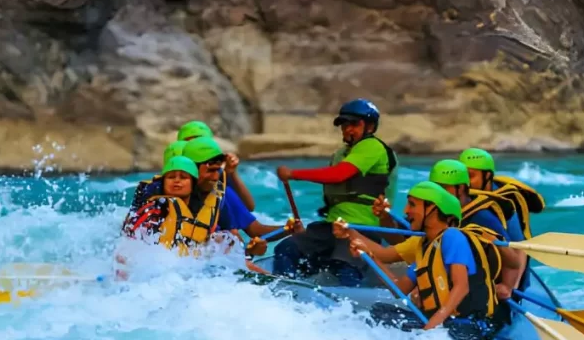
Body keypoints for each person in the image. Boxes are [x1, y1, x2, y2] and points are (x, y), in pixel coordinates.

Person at [335, 181, 510, 340]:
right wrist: (368, 256)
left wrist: (431, 328)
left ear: (433, 208)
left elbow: (461, 287)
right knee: (381, 313)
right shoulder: (425, 250)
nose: (406, 210)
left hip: (465, 326)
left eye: (412, 204)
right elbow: (399, 288)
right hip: (442, 325)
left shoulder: (453, 236)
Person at [273, 98, 398, 286]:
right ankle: (286, 294)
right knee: (286, 249)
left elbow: (339, 175)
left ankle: (350, 307)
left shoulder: (373, 147)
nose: (348, 129)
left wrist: (293, 174)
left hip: (362, 228)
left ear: (370, 127)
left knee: (344, 266)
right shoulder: (341, 153)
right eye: (344, 124)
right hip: (333, 226)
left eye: (354, 124)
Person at [372, 159, 526, 299]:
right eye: (435, 188)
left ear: (461, 189)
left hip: (481, 289)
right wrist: (384, 219)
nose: (439, 193)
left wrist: (508, 286)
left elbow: (509, 255)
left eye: (444, 188)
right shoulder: (434, 213)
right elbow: (402, 240)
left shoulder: (483, 218)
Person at [123, 139, 293, 258]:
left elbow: (248, 220)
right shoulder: (155, 203)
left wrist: (249, 253)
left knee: (228, 238)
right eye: (173, 176)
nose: (216, 176)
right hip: (161, 270)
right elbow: (131, 246)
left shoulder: (216, 197)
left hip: (193, 266)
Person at [460, 148, 544, 291]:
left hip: (511, 265)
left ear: (487, 176)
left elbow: (520, 246)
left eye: (470, 176)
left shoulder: (507, 201)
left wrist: (512, 287)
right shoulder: (460, 194)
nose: (465, 183)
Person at [177, 120, 256, 212]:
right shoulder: (174, 175)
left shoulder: (217, 174)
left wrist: (232, 173)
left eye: (202, 144)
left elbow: (249, 207)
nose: (197, 147)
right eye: (191, 144)